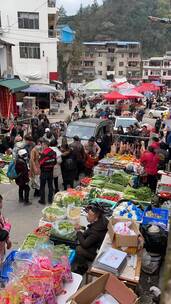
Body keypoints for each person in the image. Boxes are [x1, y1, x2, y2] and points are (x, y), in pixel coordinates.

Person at [74, 202, 108, 274]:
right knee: (82, 236)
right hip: (97, 244)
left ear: (96, 217)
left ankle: (82, 268)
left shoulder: (96, 231)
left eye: (90, 215)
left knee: (79, 249)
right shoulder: (102, 219)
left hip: (98, 253)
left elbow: (85, 244)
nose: (87, 216)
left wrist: (78, 231)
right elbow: (89, 230)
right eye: (88, 214)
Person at [39, 139, 57, 205]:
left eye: (43, 145)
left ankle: (42, 200)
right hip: (51, 171)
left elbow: (40, 162)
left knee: (42, 186)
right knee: (50, 186)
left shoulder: (44, 153)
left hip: (44, 171)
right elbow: (55, 162)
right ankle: (50, 199)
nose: (42, 146)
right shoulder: (53, 152)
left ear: (46, 145)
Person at [0, 195, 12, 264]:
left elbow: (3, 228)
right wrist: (8, 225)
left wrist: (7, 240)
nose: (2, 204)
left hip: (2, 246)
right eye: (1, 202)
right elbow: (2, 234)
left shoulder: (0, 215)